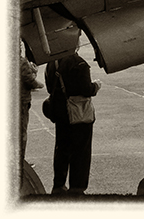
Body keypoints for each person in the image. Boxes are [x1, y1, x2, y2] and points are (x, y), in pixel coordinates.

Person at [45, 51, 101, 196]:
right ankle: (77, 188)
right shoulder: (79, 63)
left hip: (60, 112)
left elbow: (49, 87)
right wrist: (95, 86)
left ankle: (58, 185)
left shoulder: (52, 63)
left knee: (62, 149)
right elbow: (86, 89)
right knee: (80, 152)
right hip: (77, 114)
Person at [19, 51, 44, 169]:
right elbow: (29, 80)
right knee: (21, 132)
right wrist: (39, 84)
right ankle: (20, 161)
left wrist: (32, 71)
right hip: (21, 101)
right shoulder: (21, 61)